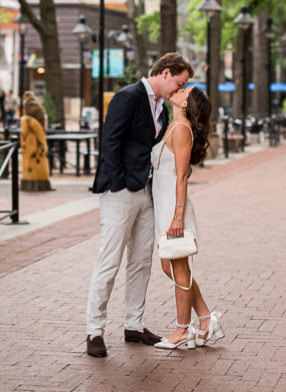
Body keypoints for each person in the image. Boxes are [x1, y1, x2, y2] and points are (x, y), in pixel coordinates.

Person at [85, 52, 193, 358]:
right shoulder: (128, 96)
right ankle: (95, 330)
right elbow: (110, 143)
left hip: (147, 195)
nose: (179, 90)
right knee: (110, 260)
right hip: (120, 191)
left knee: (142, 262)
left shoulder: (161, 107)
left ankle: (135, 324)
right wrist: (121, 183)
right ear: (166, 72)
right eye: (180, 83)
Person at [149, 86, 225, 349]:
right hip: (165, 205)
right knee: (169, 267)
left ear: (185, 104)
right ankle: (205, 318)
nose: (178, 90)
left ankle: (183, 329)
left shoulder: (182, 130)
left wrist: (178, 215)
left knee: (179, 269)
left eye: (184, 90)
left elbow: (181, 175)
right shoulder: (173, 126)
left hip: (174, 207)